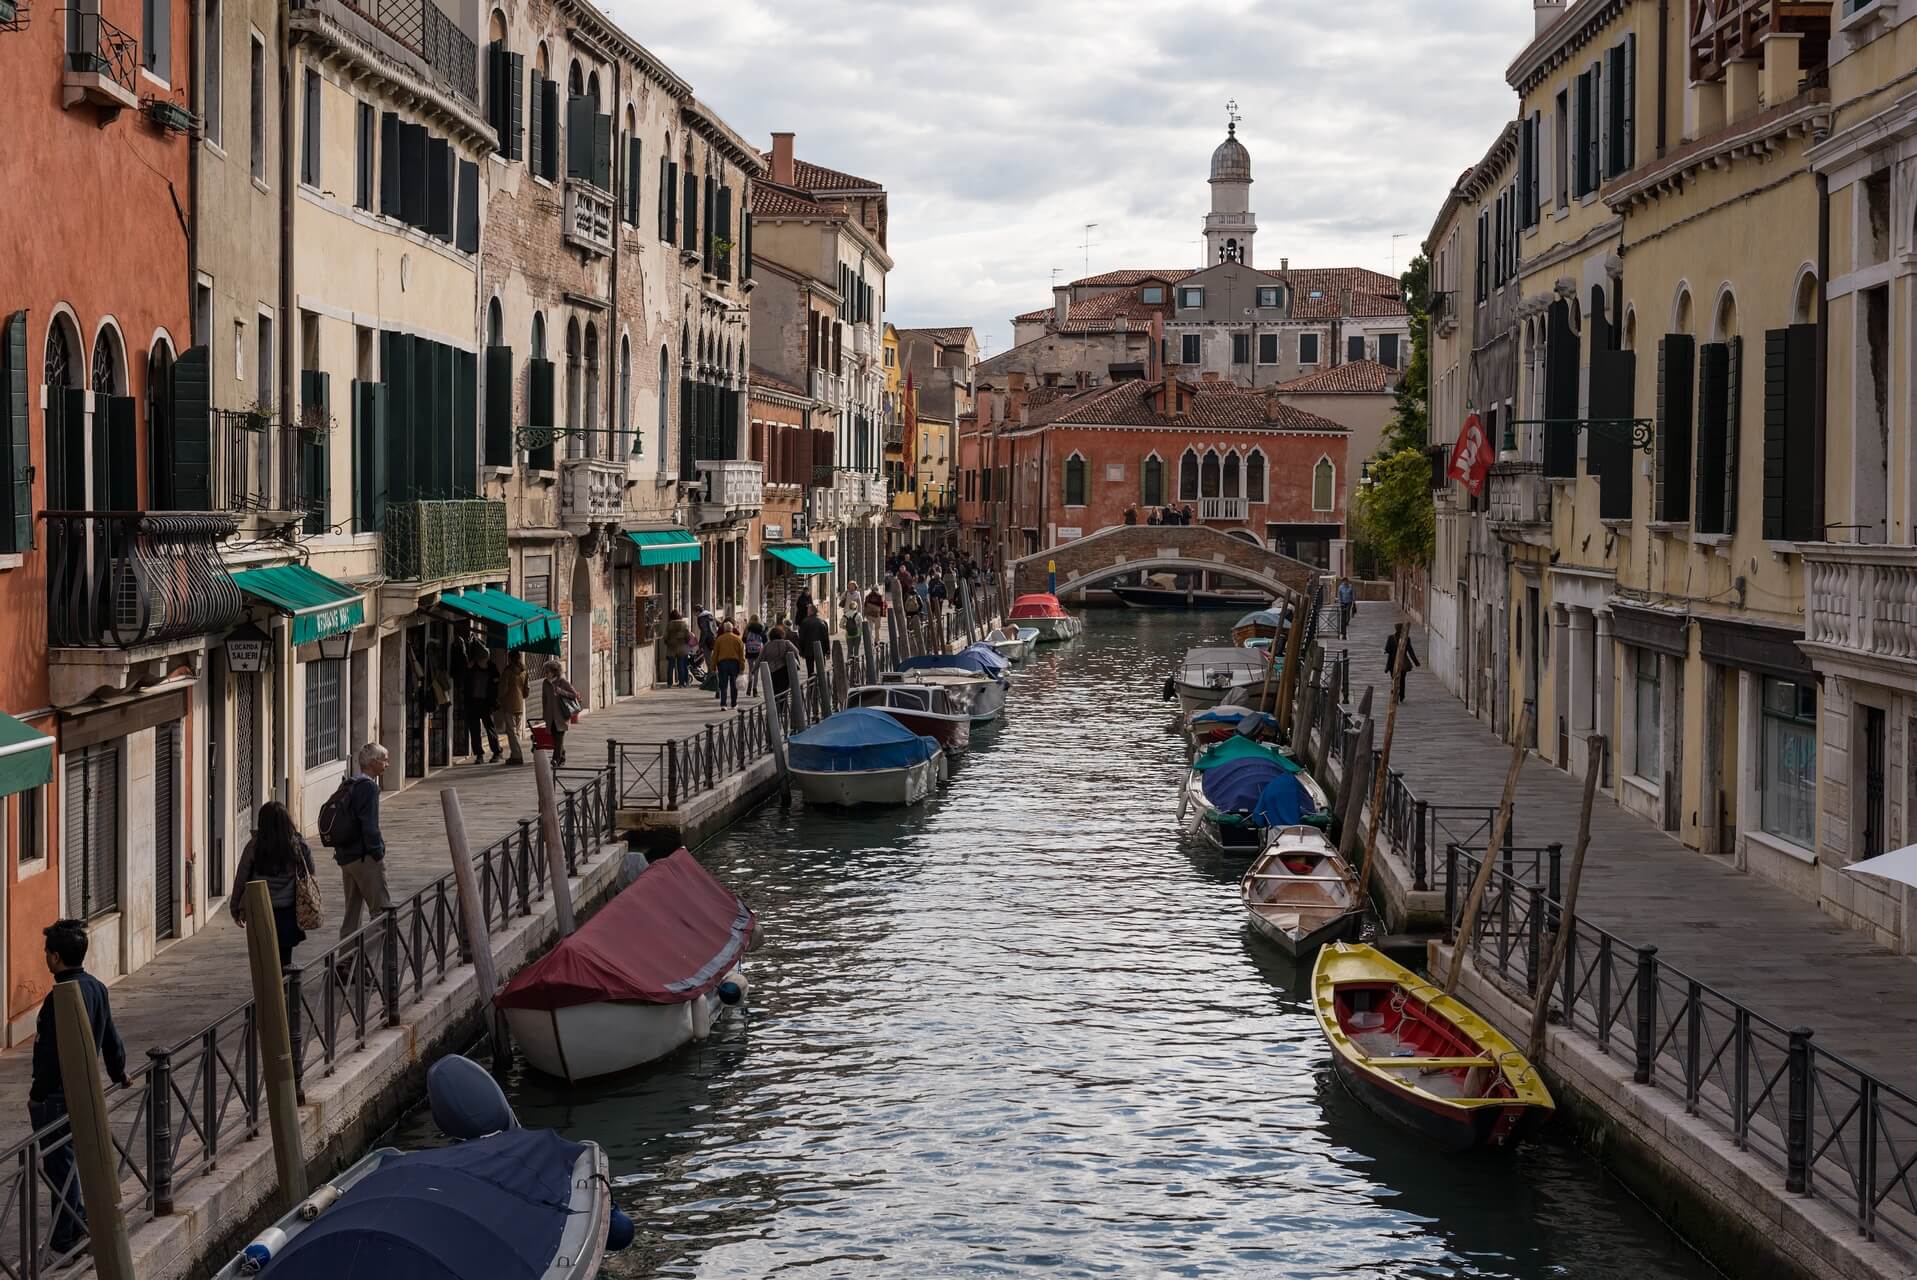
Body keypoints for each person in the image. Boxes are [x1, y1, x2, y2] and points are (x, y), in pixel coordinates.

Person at [29, 919, 128, 1257]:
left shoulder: (59, 999)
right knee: (71, 1163)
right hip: (86, 1090)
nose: (45, 957)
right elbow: (111, 1037)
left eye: (46, 952)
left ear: (55, 957)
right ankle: (82, 1220)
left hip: (57, 1097)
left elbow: (48, 1057)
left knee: (61, 1167)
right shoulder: (97, 987)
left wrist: (37, 1095)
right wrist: (119, 1073)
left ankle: (66, 1236)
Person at [230, 800, 319, 968]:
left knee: (265, 960)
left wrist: (235, 908)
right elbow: (311, 873)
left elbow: (241, 878)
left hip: (260, 909)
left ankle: (270, 991)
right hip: (288, 910)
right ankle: (285, 991)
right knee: (285, 958)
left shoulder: (254, 846)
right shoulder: (298, 845)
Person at [333, 743, 392, 938]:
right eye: (384, 760)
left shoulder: (349, 783)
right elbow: (370, 825)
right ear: (373, 763)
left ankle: (345, 963)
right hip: (364, 857)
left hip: (346, 857)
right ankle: (371, 960)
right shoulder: (369, 788)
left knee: (351, 916)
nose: (387, 765)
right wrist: (377, 852)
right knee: (382, 913)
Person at [463, 634, 500, 763]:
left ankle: (496, 752)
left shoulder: (492, 668)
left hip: (486, 702)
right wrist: (469, 668)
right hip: (473, 702)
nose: (483, 661)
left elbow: (496, 685)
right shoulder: (471, 668)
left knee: (490, 728)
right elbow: (465, 681)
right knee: (474, 730)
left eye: (485, 659)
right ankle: (479, 754)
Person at [541, 659, 581, 766]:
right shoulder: (545, 683)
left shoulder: (562, 682)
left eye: (547, 672)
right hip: (550, 716)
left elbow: (574, 695)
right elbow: (544, 699)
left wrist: (561, 691)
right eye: (545, 672)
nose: (546, 674)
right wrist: (544, 715)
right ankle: (562, 756)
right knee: (555, 739)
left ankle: (556, 760)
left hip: (561, 715)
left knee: (559, 738)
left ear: (554, 672)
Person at [496, 651, 529, 764]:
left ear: (510, 659)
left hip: (509, 704)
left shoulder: (508, 672)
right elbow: (526, 690)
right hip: (519, 704)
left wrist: (498, 698)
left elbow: (503, 689)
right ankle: (514, 753)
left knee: (511, 731)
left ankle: (517, 755)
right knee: (516, 731)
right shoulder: (524, 671)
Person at [711, 620, 746, 709]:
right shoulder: (738, 639)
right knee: (734, 684)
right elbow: (742, 655)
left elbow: (715, 654)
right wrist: (742, 667)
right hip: (734, 663)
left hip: (722, 663)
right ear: (732, 629)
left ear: (724, 629)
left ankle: (723, 704)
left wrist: (713, 666)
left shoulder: (719, 639)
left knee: (723, 684)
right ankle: (734, 704)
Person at [760, 625, 799, 704]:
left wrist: (753, 670)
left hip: (771, 670)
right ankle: (782, 708)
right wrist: (787, 656)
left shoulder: (767, 645)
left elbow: (760, 658)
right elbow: (796, 652)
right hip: (784, 669)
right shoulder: (786, 643)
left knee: (774, 690)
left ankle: (775, 708)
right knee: (783, 689)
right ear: (781, 634)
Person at [1384, 626, 1420, 703]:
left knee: (1394, 680)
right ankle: (1401, 695)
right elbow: (1410, 651)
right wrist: (1416, 662)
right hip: (1402, 663)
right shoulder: (1406, 639)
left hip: (1393, 663)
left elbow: (1387, 649)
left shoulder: (1390, 638)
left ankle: (1395, 695)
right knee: (1402, 680)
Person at [798, 604, 831, 677]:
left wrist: (802, 651)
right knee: (821, 670)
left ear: (811, 611)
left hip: (808, 650)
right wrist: (828, 651)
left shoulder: (805, 622)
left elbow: (801, 638)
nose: (807, 611)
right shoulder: (823, 622)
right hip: (820, 649)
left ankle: (811, 686)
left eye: (808, 610)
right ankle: (822, 685)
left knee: (810, 671)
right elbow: (826, 638)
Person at [663, 609, 692, 687]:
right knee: (681, 665)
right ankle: (682, 683)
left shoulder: (669, 625)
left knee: (671, 665)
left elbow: (665, 637)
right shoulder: (684, 624)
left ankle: (669, 683)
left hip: (672, 647)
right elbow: (688, 637)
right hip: (682, 647)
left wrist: (667, 643)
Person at [744, 615, 767, 695]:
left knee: (751, 669)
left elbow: (744, 639)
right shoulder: (761, 627)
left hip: (749, 651)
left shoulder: (748, 627)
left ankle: (749, 686)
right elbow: (765, 640)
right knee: (756, 670)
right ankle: (755, 689)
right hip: (758, 652)